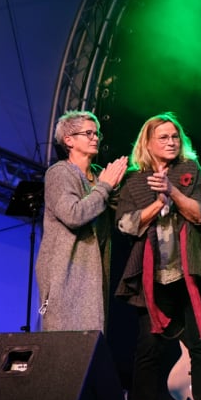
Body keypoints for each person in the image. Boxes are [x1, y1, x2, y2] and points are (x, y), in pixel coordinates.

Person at [115, 112, 201, 400]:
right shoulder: (134, 180)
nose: (171, 141)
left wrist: (173, 193)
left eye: (175, 136)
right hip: (153, 278)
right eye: (163, 137)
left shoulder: (191, 170)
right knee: (147, 347)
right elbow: (126, 225)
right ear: (147, 143)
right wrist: (156, 202)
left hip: (191, 273)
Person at [36, 110, 128, 332]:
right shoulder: (60, 173)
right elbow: (73, 215)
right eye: (88, 133)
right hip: (65, 274)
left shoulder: (98, 176)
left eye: (97, 134)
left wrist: (114, 187)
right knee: (65, 346)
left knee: (90, 347)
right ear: (69, 140)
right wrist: (105, 187)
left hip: (93, 275)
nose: (95, 137)